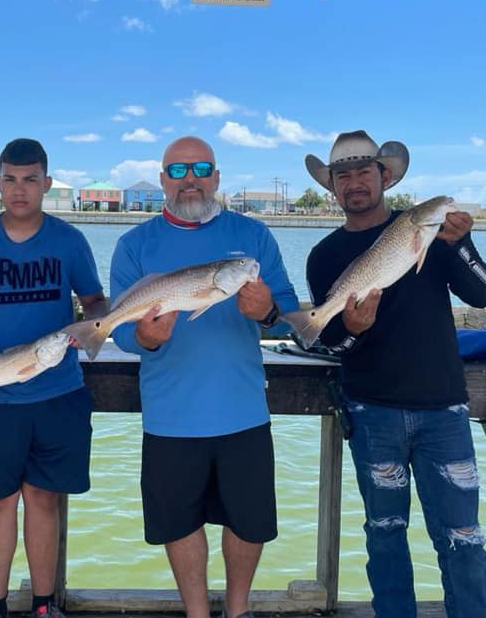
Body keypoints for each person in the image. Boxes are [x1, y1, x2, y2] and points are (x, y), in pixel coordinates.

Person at [303, 130, 486, 618]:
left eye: (363, 172)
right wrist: (349, 326)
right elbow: (332, 344)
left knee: (464, 540)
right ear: (332, 188)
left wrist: (462, 242)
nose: (354, 183)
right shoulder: (323, 256)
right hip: (372, 412)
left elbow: (483, 294)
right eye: (342, 176)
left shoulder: (433, 236)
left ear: (384, 176)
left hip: (445, 412)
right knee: (384, 539)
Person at [109, 136, 299, 618]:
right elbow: (123, 334)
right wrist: (148, 338)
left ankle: (238, 610)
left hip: (243, 411)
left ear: (216, 176)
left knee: (250, 523)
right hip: (170, 416)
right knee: (178, 524)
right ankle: (197, 612)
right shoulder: (133, 246)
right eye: (176, 171)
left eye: (199, 169)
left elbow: (291, 311)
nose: (188, 179)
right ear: (162, 181)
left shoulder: (253, 237)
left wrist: (268, 310)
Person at [0, 138, 106, 618]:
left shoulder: (69, 240)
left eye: (30, 179)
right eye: (10, 180)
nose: (20, 190)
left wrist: (90, 325)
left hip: (59, 392)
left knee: (43, 500)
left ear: (46, 185)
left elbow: (95, 302)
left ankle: (42, 605)